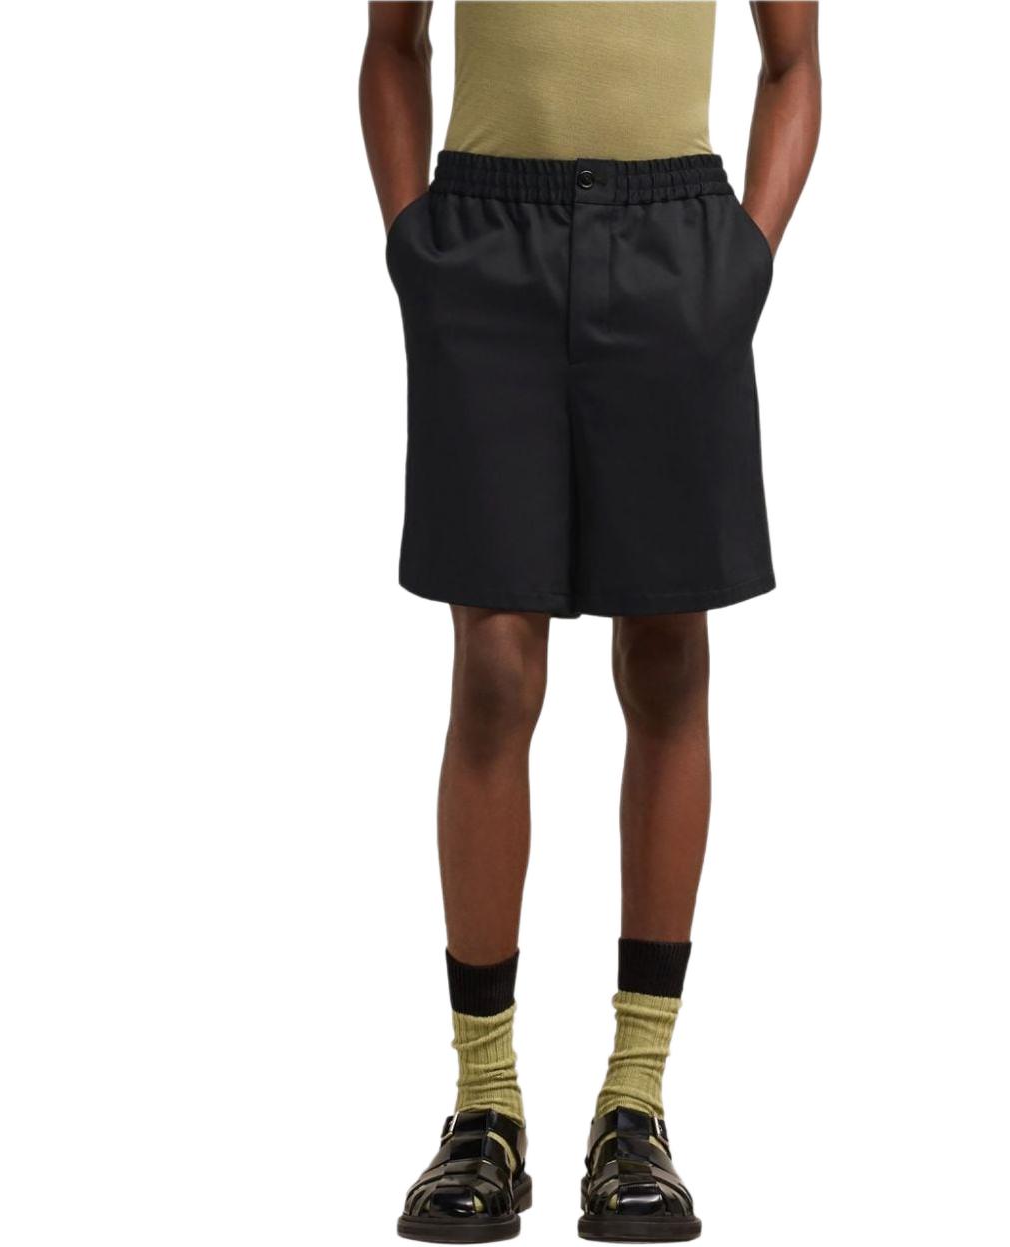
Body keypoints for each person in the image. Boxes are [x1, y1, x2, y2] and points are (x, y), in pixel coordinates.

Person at [360, 2, 820, 1240]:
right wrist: (412, 243)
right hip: (482, 240)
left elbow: (791, 62)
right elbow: (392, 46)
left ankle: (635, 1102)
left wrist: (746, 259)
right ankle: (484, 1103)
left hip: (676, 239)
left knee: (666, 659)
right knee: (493, 667)